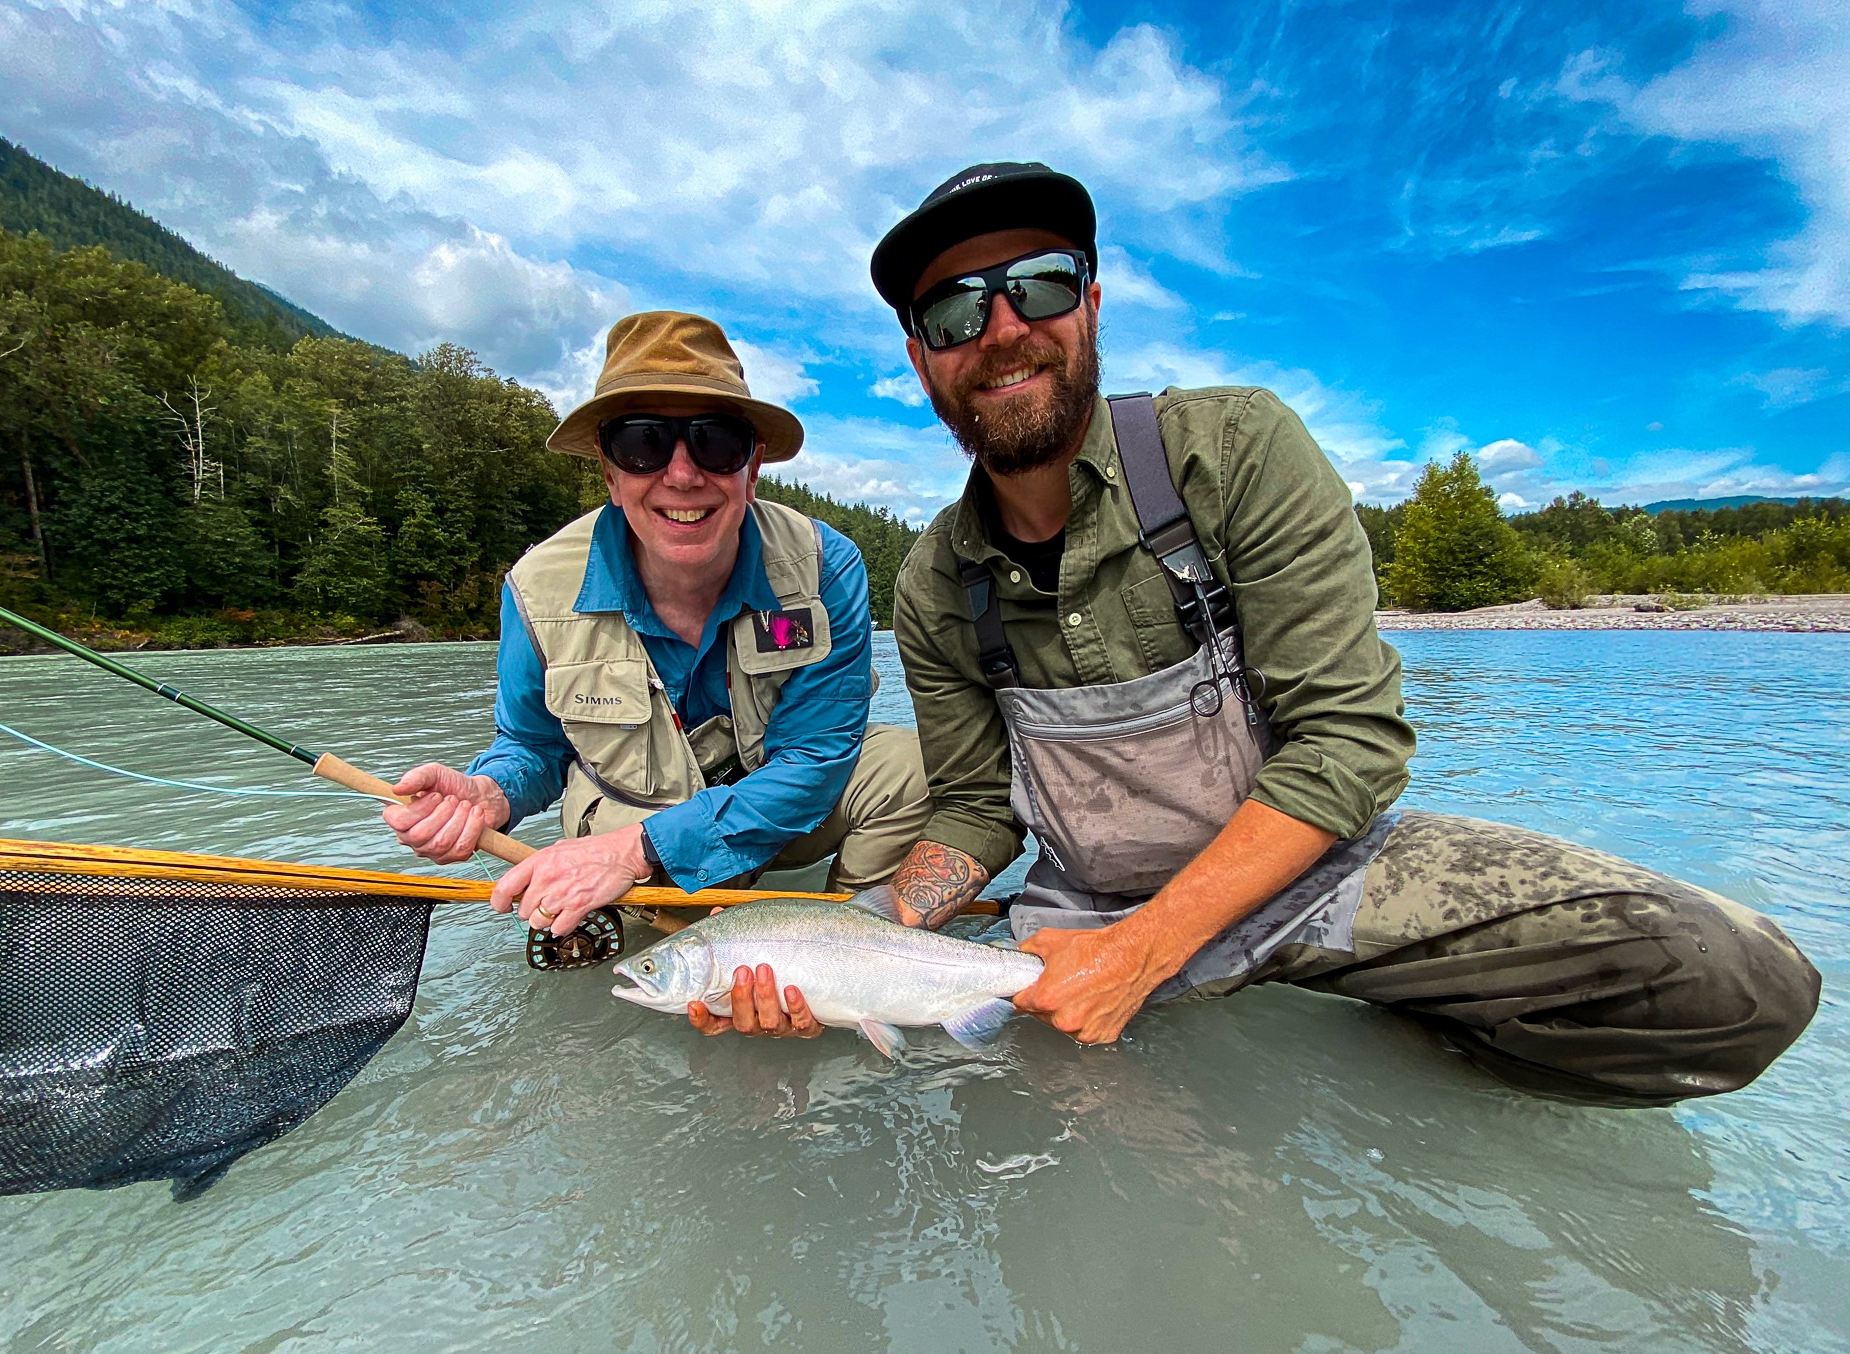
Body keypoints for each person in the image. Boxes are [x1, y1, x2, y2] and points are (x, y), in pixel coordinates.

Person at [704, 161, 1819, 1106]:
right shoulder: (936, 586)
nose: (1000, 330)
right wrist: (868, 926)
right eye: (953, 311)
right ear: (919, 358)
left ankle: (1416, 1066)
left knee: (1733, 979)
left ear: (1090, 303)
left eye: (1037, 286)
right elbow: (976, 809)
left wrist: (1147, 953)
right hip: (1079, 917)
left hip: (1312, 879)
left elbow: (1348, 741)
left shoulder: (1231, 453)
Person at [384, 311, 929, 972]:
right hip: (627, 814)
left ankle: (854, 959)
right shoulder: (536, 590)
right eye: (643, 443)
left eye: (716, 442)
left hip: (767, 809)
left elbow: (815, 757)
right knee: (641, 947)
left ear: (752, 468)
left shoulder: (824, 567)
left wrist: (637, 852)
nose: (681, 474)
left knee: (913, 769)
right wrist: (491, 796)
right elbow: (533, 744)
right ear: (610, 474)